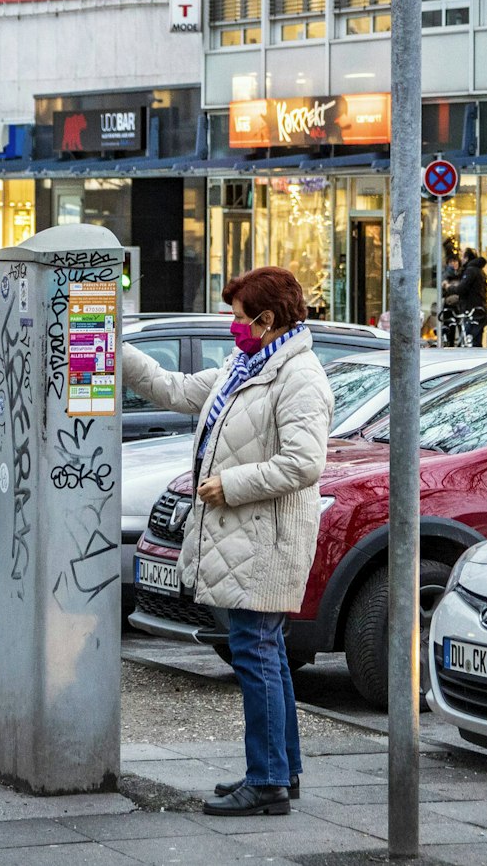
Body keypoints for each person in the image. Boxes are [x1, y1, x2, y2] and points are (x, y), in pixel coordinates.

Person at [119, 266, 333, 817]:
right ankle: (282, 771)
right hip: (247, 537)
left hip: (266, 538)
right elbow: (173, 388)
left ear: (268, 319)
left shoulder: (299, 376)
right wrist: (112, 344)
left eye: (238, 317)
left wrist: (230, 485)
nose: (231, 326)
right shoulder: (246, 365)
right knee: (267, 652)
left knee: (255, 652)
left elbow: (305, 462)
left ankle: (266, 783)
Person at [451, 247, 487, 346]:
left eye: (462, 257)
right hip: (478, 311)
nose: (461, 260)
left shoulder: (471, 271)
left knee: (470, 342)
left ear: (466, 258)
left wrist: (450, 288)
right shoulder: (479, 271)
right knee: (474, 341)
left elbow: (462, 289)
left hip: (472, 311)